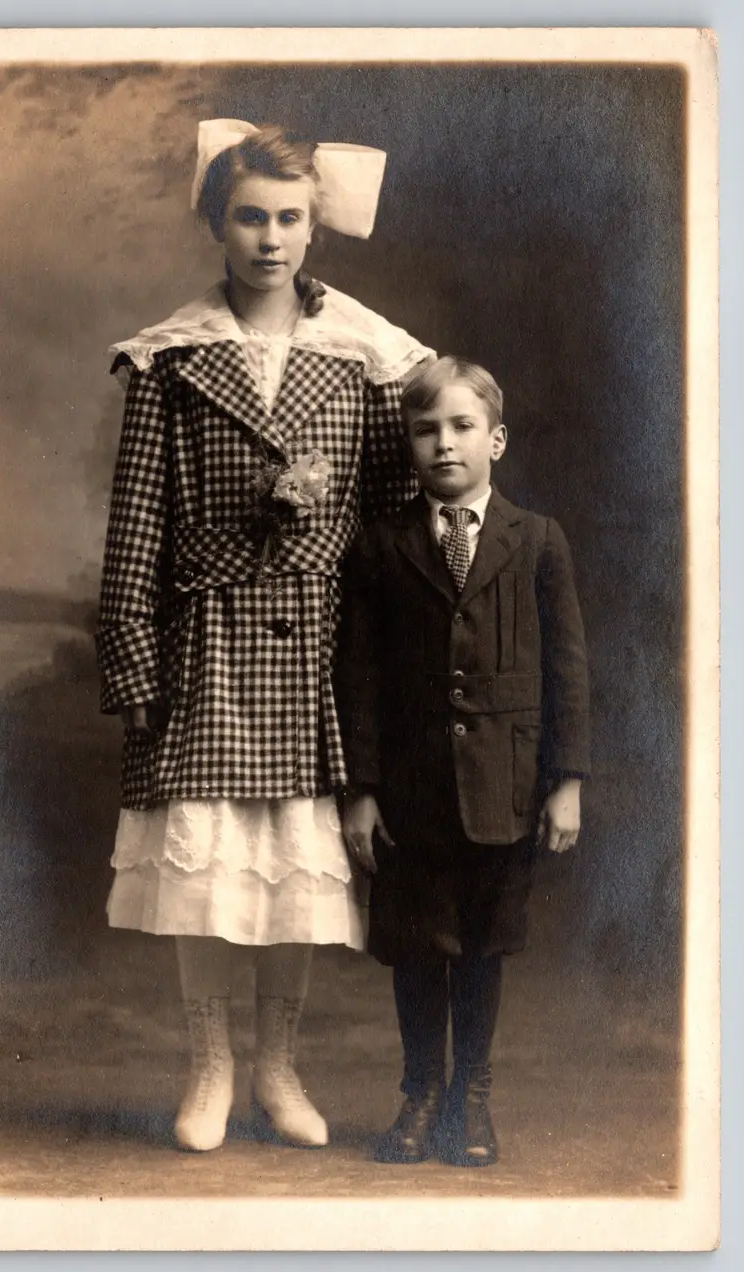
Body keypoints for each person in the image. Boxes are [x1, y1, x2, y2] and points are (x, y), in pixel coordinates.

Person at [95, 119, 435, 1154]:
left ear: (314, 228)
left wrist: (392, 668)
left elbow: (389, 521)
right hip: (206, 641)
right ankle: (212, 1066)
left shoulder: (367, 360)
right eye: (250, 218)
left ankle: (280, 1066)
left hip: (318, 647)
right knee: (210, 870)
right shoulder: (173, 360)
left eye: (290, 219)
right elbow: (138, 522)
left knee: (295, 869)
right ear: (219, 224)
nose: (271, 240)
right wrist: (134, 656)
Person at [335, 356, 590, 1167]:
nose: (443, 445)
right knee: (418, 947)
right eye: (425, 431)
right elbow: (361, 675)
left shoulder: (536, 541)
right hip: (412, 792)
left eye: (461, 427)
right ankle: (421, 1094)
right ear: (409, 445)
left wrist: (567, 781)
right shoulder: (382, 547)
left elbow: (568, 669)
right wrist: (363, 792)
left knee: (482, 946)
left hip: (504, 787)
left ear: (497, 439)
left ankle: (472, 1102)